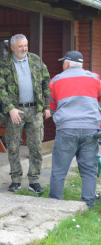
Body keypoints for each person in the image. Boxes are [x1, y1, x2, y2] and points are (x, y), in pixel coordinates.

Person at [0, 34, 50, 194]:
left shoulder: (35, 59)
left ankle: (34, 181)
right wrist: (10, 108)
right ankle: (16, 180)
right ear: (12, 47)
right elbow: (0, 88)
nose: (24, 49)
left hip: (35, 110)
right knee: (13, 146)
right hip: (15, 111)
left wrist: (47, 106)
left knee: (36, 146)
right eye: (21, 46)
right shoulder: (5, 64)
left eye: (26, 45)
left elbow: (46, 81)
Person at [49, 50, 101, 209]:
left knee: (59, 169)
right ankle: (88, 204)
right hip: (91, 130)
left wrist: (60, 122)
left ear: (66, 63)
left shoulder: (55, 81)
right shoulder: (96, 79)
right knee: (89, 170)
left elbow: (53, 108)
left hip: (67, 129)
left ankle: (54, 203)